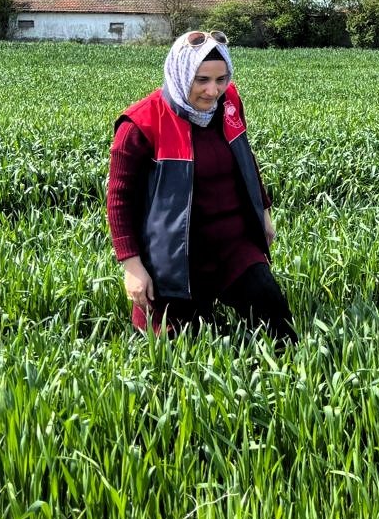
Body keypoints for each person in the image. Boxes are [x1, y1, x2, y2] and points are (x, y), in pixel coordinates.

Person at [107, 30, 297, 342]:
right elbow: (119, 201)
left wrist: (263, 213)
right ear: (181, 72)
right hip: (175, 254)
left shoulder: (229, 103)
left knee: (279, 325)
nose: (213, 91)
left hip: (232, 243)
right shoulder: (140, 124)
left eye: (221, 79)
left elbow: (245, 157)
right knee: (184, 347)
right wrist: (132, 266)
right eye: (202, 80)